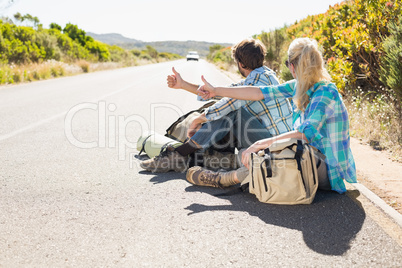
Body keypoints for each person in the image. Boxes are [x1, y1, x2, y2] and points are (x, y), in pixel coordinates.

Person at [188, 37, 356, 194]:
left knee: (275, 155)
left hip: (327, 168)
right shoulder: (302, 85)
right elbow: (259, 93)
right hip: (310, 156)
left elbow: (306, 134)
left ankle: (224, 179)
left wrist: (261, 143)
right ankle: (226, 167)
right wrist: (216, 90)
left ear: (292, 66)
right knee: (265, 152)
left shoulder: (325, 92)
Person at [140, 38, 293, 177]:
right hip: (280, 143)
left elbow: (231, 102)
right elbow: (219, 92)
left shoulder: (254, 81)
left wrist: (200, 118)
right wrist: (183, 85)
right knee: (229, 107)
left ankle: (180, 154)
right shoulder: (266, 75)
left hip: (275, 148)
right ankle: (196, 154)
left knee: (235, 111)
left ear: (240, 63)